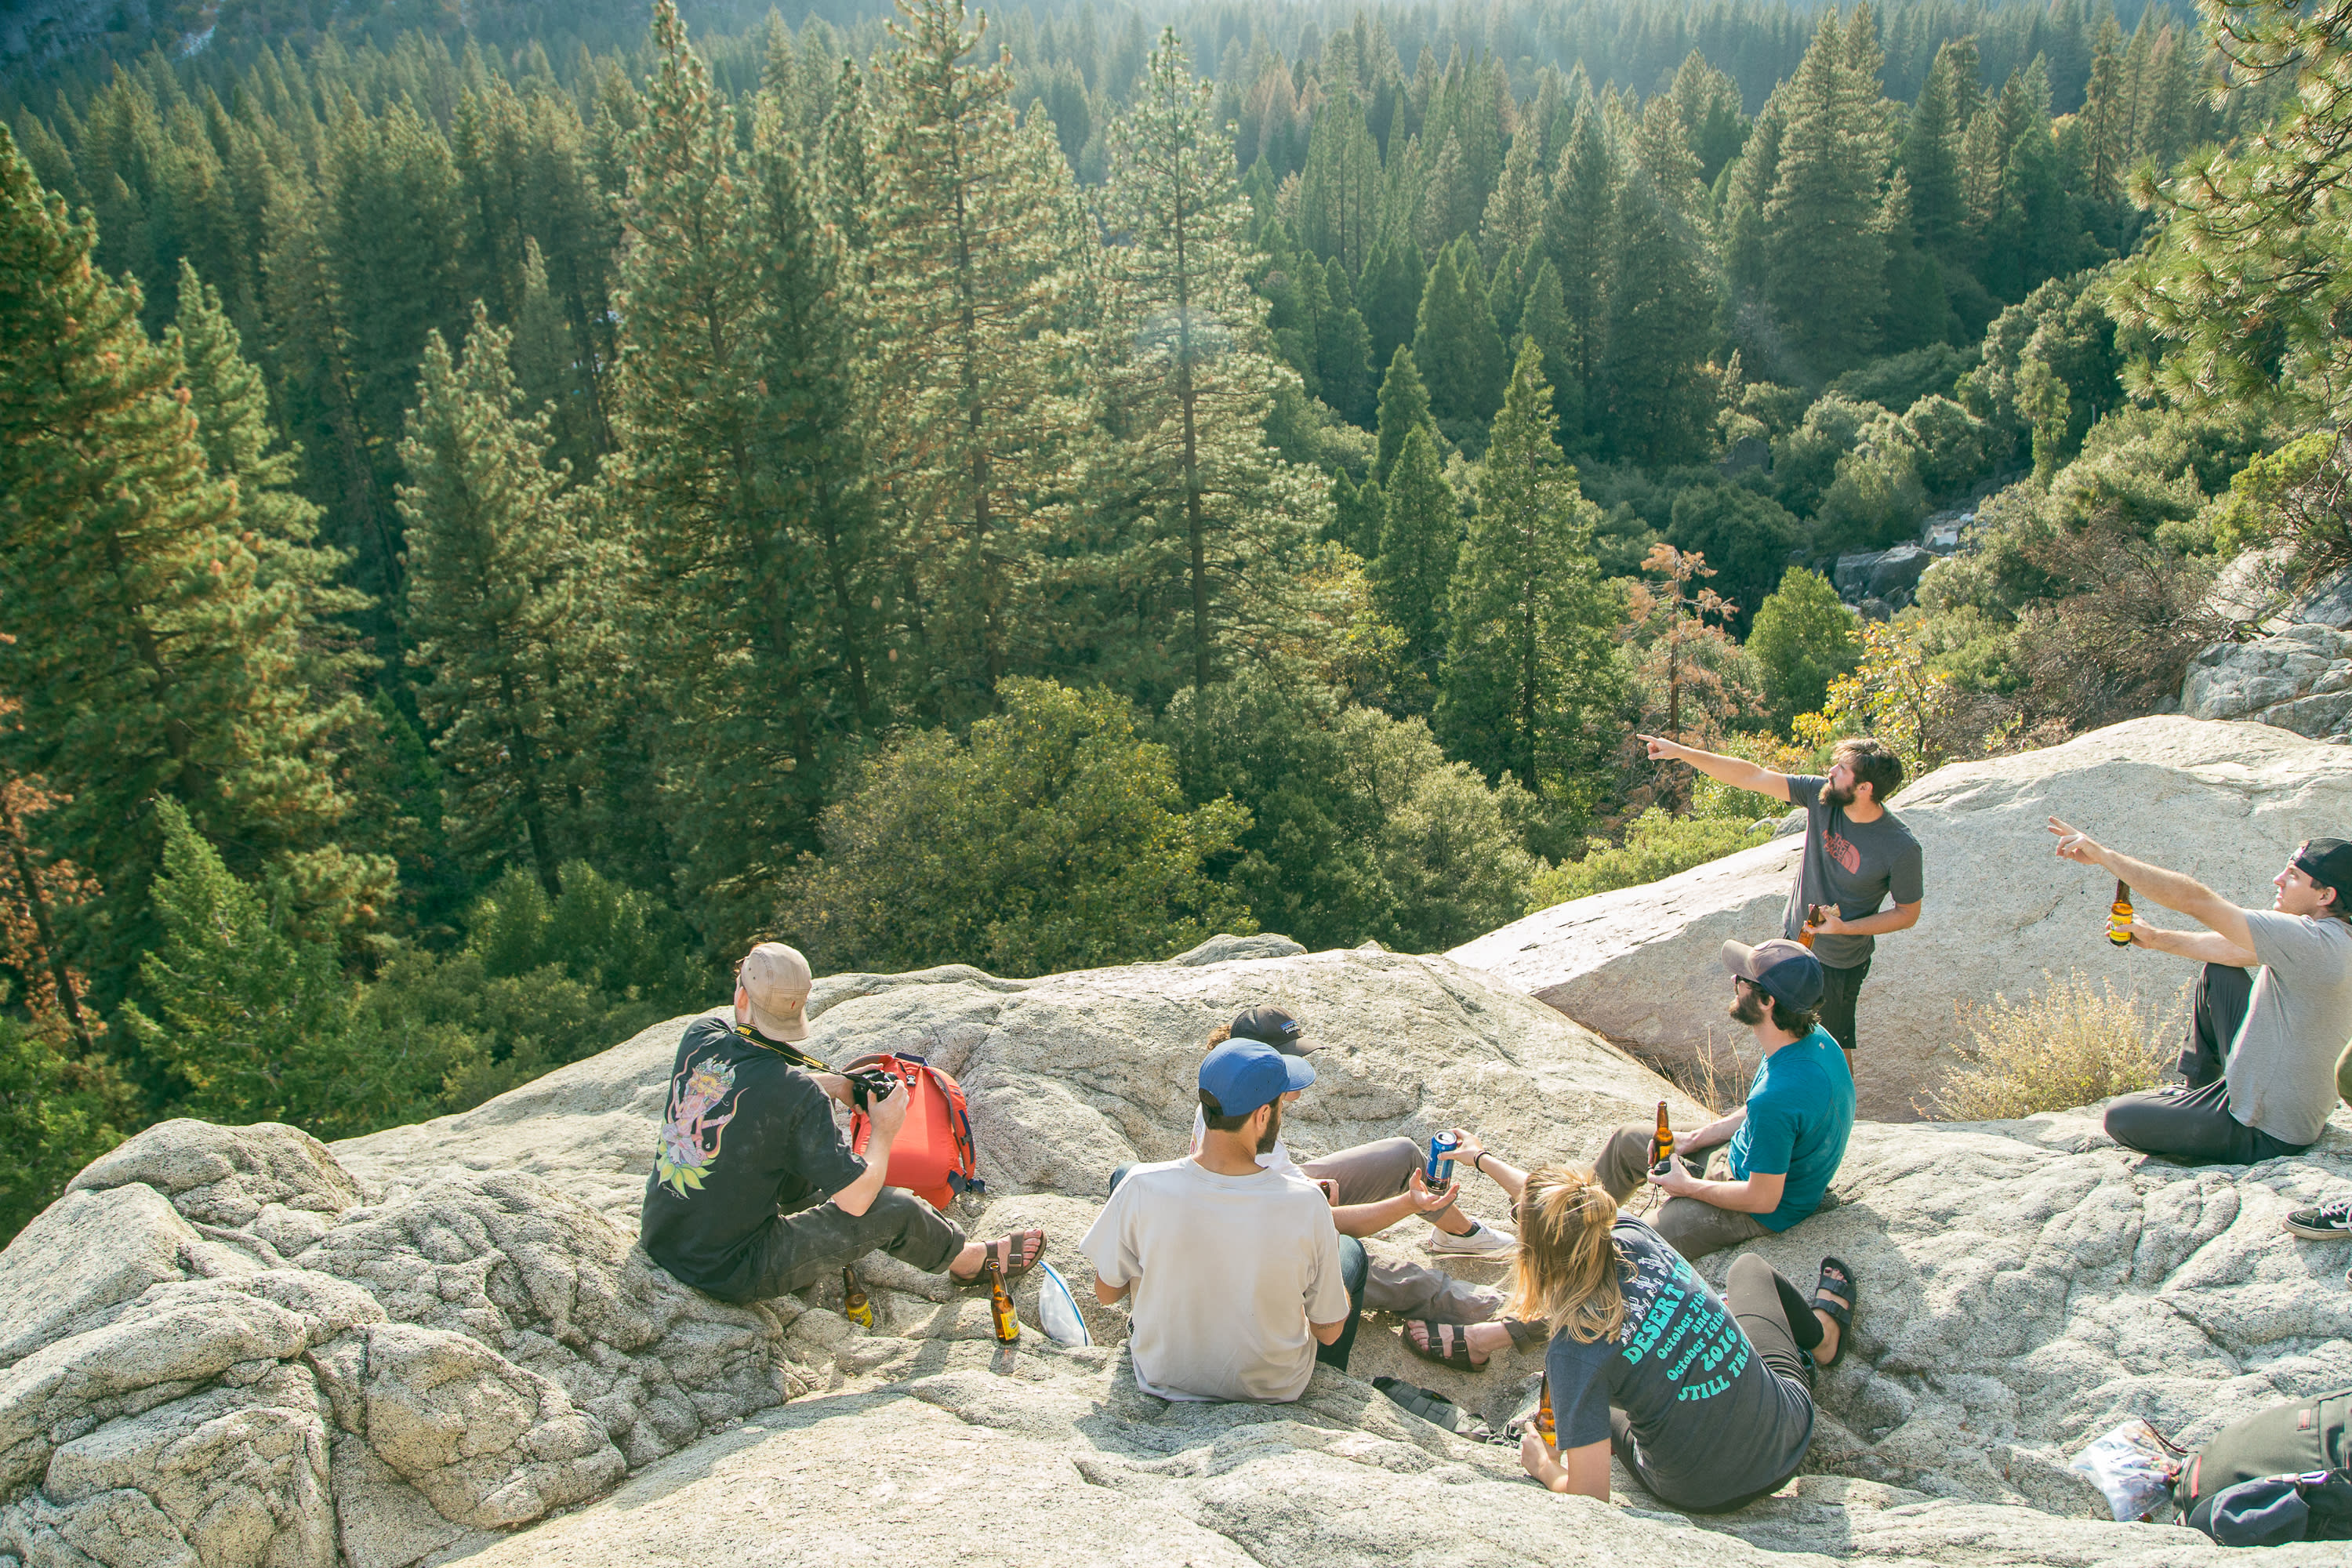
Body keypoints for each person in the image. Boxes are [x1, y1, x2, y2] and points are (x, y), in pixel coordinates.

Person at [1402, 938, 1856, 1369]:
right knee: (1627, 1142)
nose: (1734, 982)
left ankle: (1490, 1340)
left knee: (1619, 1261)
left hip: (1755, 1205)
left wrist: (1687, 1186)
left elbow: (1763, 1199)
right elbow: (1756, 1110)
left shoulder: (1780, 1095)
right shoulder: (1809, 1040)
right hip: (1737, 1161)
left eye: (1743, 978)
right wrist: (1697, 1138)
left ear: (1767, 1002)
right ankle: (1568, 1225)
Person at [639, 942, 1044, 1304]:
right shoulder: (795, 1095)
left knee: (785, 1144)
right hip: (729, 1271)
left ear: (741, 994)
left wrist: (831, 1084)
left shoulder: (701, 1036)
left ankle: (804, 1252)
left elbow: (746, 1089)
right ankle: (968, 1261)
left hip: (663, 1235)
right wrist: (884, 1128)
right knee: (894, 1207)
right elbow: (857, 1201)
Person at [1508, 1161, 1856, 1514]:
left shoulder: (1572, 1351)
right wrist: (1481, 1158)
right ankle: (1823, 1341)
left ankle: (1611, 1438)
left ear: (1532, 1255)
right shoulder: (1635, 1235)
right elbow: (1563, 1212)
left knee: (1588, 1409)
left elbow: (1591, 1496)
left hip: (1700, 1491)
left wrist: (1545, 1467)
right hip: (1787, 1435)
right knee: (1749, 1268)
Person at [2049, 822, 2352, 1167]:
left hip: (2262, 1130)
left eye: (2293, 876)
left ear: (2326, 896)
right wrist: (2156, 938)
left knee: (2121, 1117)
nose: (2278, 880)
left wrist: (2105, 856)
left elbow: (2195, 900)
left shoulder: (2309, 941)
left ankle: (2205, 1112)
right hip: (2279, 1102)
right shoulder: (2334, 939)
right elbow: (2234, 952)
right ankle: (2197, 1087)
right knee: (2220, 973)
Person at [1080, 1036, 1363, 1401]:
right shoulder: (1307, 1204)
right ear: (1263, 1115)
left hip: (1162, 1375)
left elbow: (1105, 1293)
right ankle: (1331, 1386)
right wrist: (1328, 1269)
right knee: (1350, 1250)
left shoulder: (1140, 1185)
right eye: (1280, 1107)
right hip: (1273, 1387)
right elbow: (1328, 1330)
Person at [1642, 733, 1923, 1065]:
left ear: (1865, 788)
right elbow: (1752, 775)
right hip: (1793, 942)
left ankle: (1837, 1115)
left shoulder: (1900, 846)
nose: (1831, 771)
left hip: (1839, 961)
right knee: (1782, 1030)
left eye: (1842, 768)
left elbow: (1907, 913)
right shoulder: (1823, 797)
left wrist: (1843, 928)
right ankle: (1785, 1098)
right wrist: (1681, 753)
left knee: (1829, 1045)